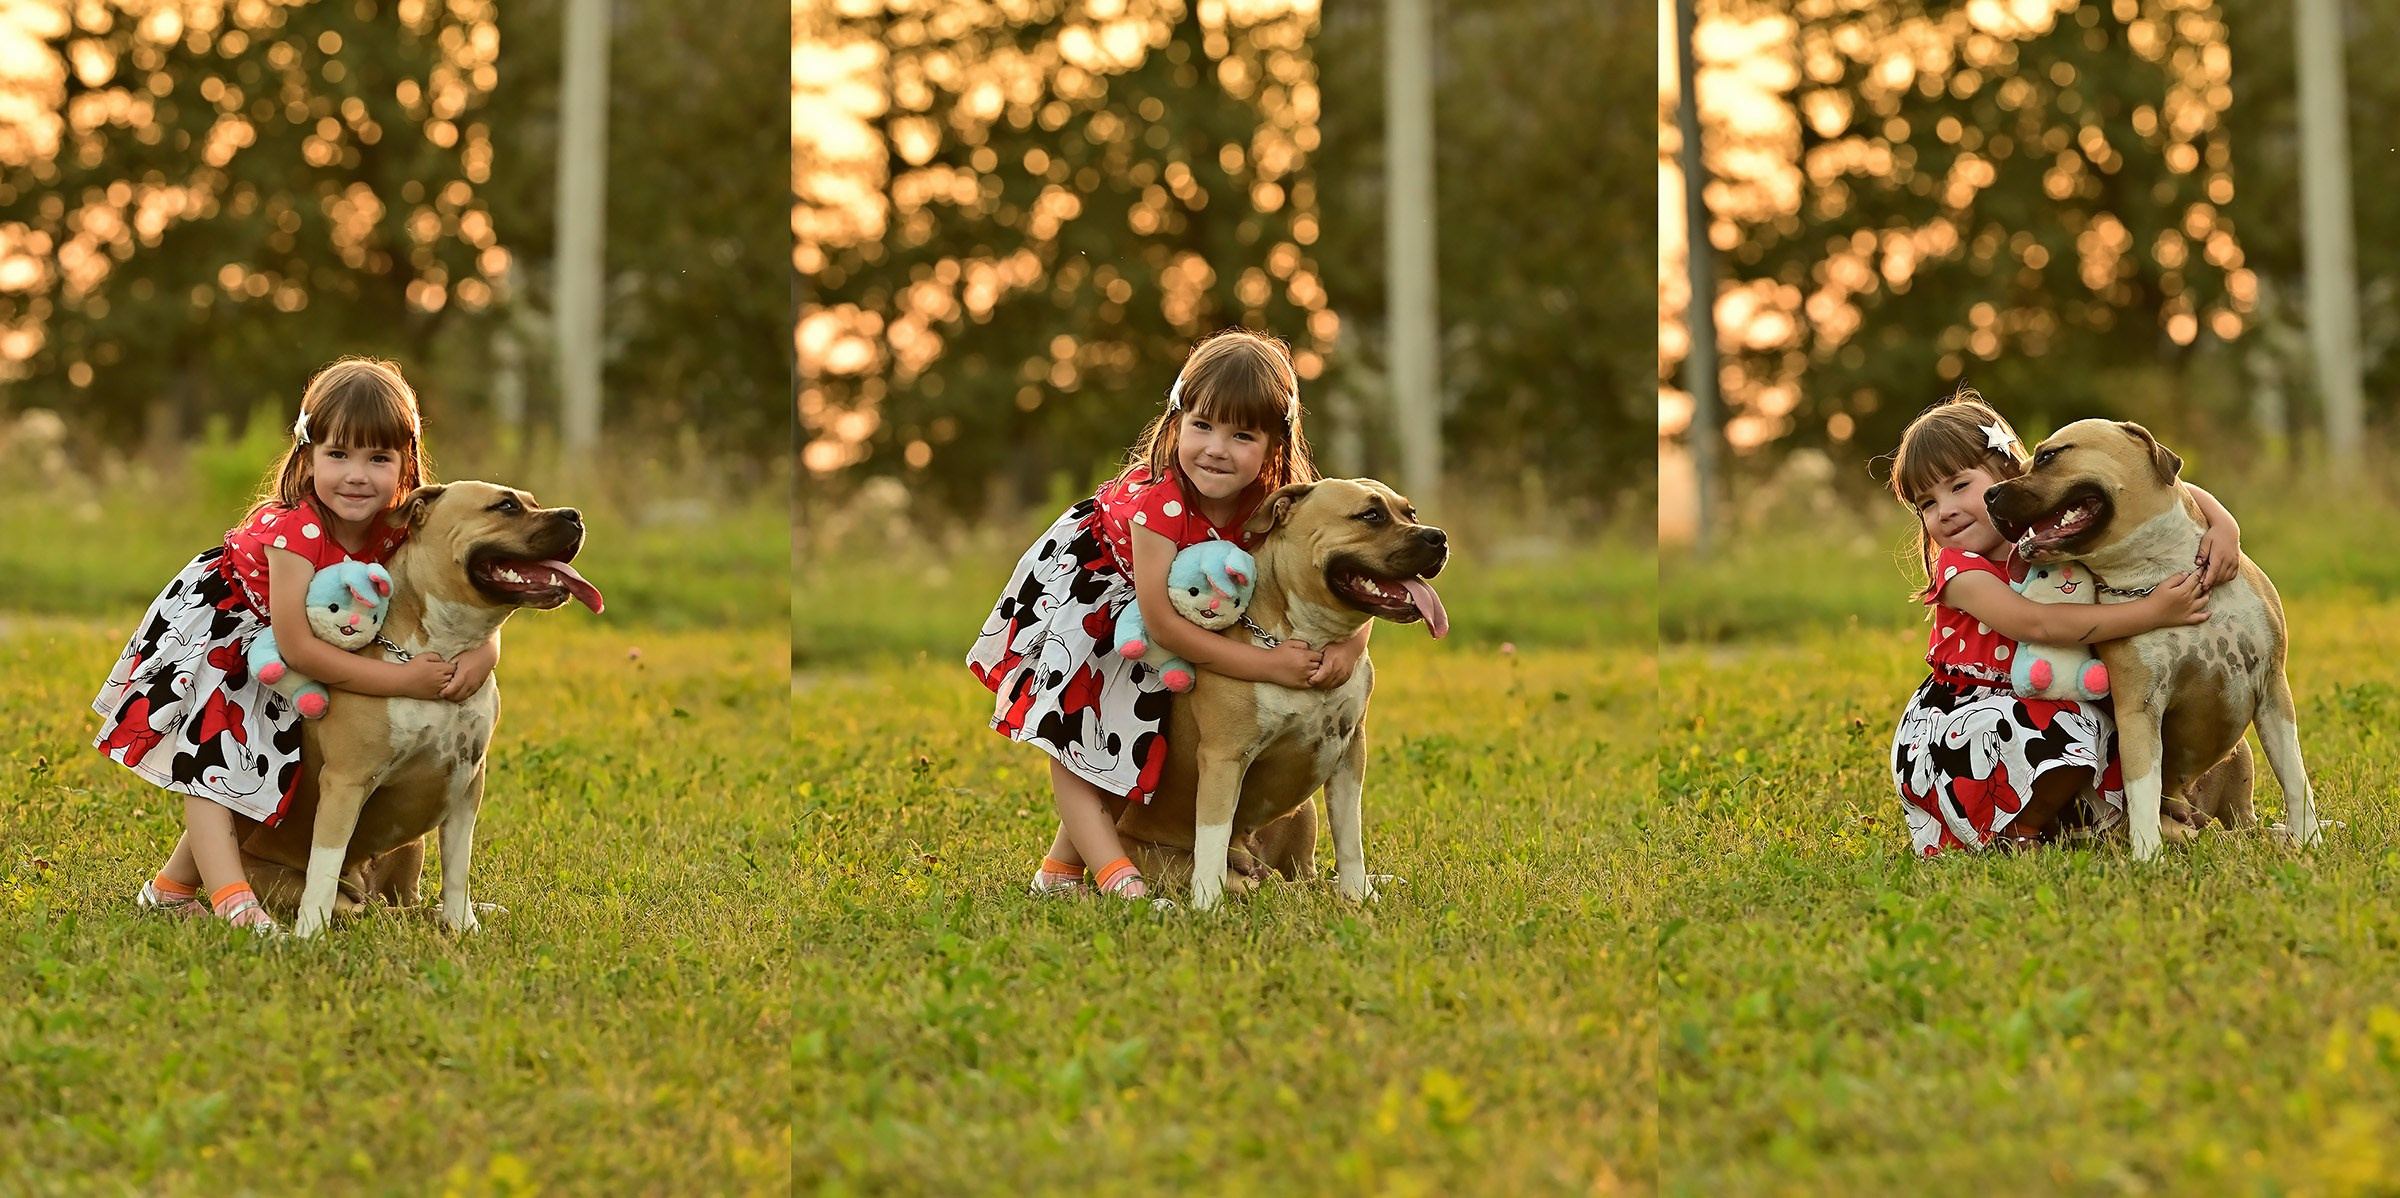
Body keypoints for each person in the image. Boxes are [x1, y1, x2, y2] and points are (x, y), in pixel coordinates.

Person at [92, 359, 496, 934]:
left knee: (275, 765)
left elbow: (449, 604)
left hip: (298, 644)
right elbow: (298, 647)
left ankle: (171, 888)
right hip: (230, 634)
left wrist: (483, 655)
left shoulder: (397, 526)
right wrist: (402, 681)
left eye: (378, 459)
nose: (357, 475)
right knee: (224, 763)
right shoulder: (295, 532)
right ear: (307, 457)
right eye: (339, 455)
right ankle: (232, 897)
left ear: (407, 465)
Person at [967, 329, 1360, 900]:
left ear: (1276, 445)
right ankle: (1100, 873)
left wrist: (1349, 646)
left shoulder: (1278, 504)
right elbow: (1160, 622)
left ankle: (1063, 868)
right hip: (1111, 599)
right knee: (1091, 732)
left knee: (1148, 739)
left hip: (1187, 604)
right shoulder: (1162, 503)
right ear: (1176, 423)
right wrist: (1267, 666)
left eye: (1241, 434)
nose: (1216, 448)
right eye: (1201, 425)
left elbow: (1335, 581)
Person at [1884, 388, 2241, 854]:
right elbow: (2038, 624)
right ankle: (2018, 830)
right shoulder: (1959, 572)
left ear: (2011, 476)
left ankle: (2121, 814)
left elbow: (2159, 488)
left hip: (2054, 696)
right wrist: (2153, 611)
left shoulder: (2053, 531)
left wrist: (2224, 526)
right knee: (2073, 729)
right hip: (1970, 722)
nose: (1944, 510)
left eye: (1957, 486)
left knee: (2131, 716)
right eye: (1926, 503)